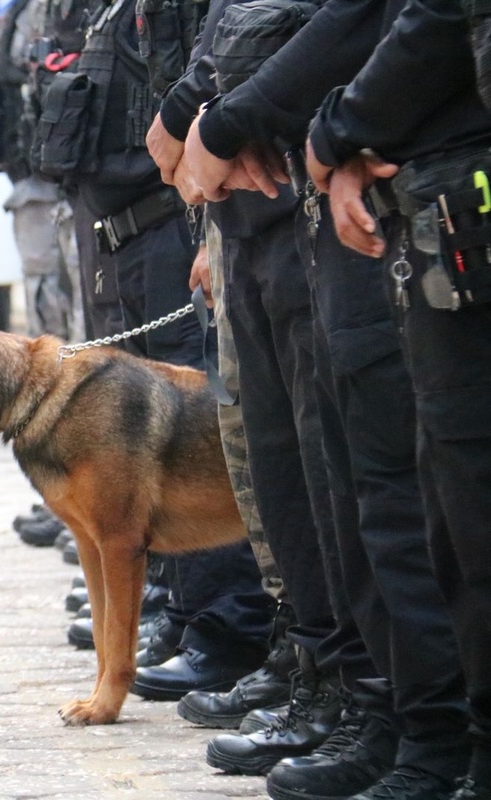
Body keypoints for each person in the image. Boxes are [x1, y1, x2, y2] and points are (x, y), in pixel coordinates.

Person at [176, 0, 473, 795]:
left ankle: (434, 737)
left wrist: (333, 131)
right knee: (346, 489)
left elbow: (387, 22)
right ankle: (390, 715)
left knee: (407, 498)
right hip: (337, 194)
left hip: (395, 193)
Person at [30, 0, 275, 698]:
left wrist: (209, 234)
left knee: (193, 441)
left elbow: (209, 92)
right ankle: (179, 611)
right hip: (124, 235)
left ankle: (226, 629)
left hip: (173, 225)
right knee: (138, 467)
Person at [303, 1, 491, 795]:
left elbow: (428, 23)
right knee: (436, 503)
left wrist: (336, 133)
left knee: (454, 499)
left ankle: (445, 742)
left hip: (447, 194)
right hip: (419, 190)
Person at [0, 0, 86, 550]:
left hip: (64, 189)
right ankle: (62, 493)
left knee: (74, 343)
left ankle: (78, 494)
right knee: (53, 337)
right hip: (35, 182)